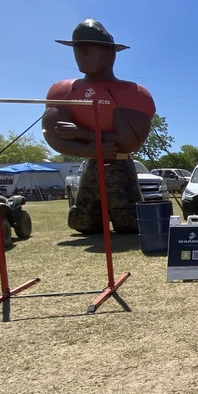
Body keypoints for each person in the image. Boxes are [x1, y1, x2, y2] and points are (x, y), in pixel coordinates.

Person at [42, 19, 154, 234]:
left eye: (90, 48)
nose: (83, 54)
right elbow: (54, 135)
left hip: (120, 166)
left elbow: (128, 142)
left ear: (110, 53)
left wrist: (82, 134)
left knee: (130, 222)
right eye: (78, 49)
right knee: (84, 223)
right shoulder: (62, 90)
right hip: (91, 164)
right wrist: (92, 150)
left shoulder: (133, 93)